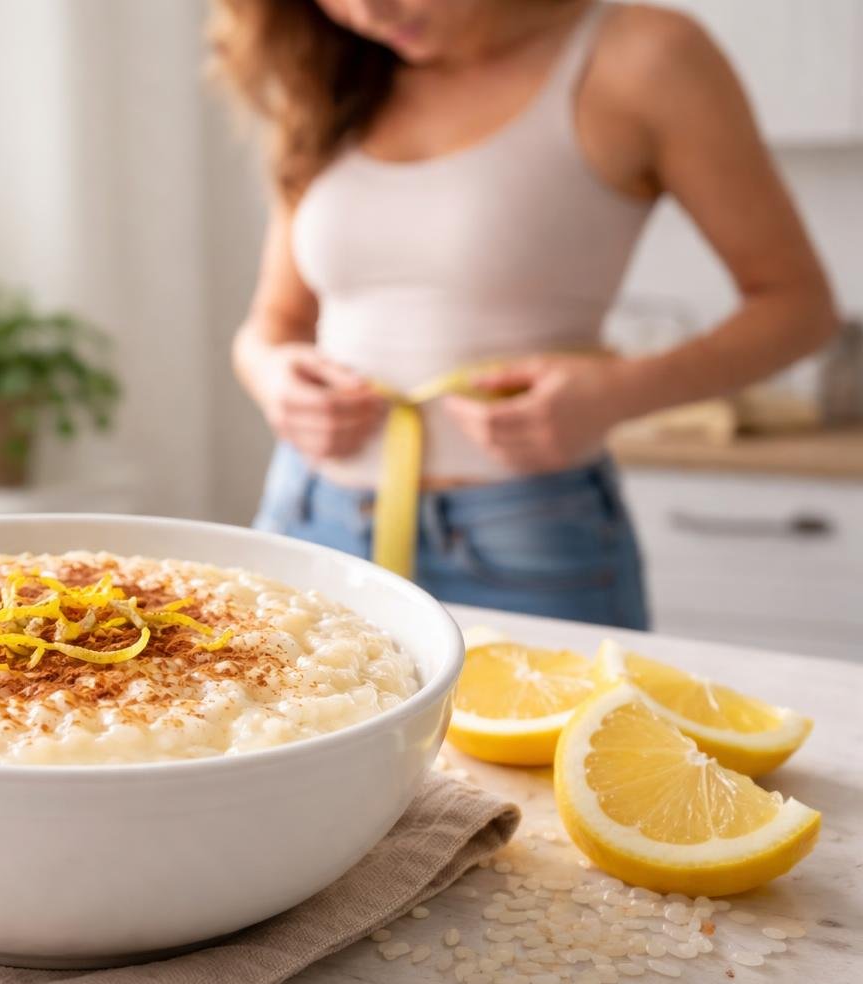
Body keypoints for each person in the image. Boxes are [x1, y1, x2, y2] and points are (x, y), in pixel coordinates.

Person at [211, 0, 837, 627]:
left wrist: (616, 394)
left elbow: (799, 308)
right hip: (308, 518)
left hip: (527, 537)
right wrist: (275, 380)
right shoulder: (330, 74)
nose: (368, 11)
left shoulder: (640, 57)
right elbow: (273, 325)